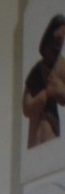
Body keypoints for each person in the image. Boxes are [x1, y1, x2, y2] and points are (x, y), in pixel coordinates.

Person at [24, 14, 65, 148]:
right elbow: (26, 106)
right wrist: (45, 94)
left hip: (50, 129)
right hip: (35, 133)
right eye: (56, 38)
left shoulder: (61, 66)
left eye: (61, 39)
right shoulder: (37, 70)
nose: (58, 44)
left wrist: (60, 90)